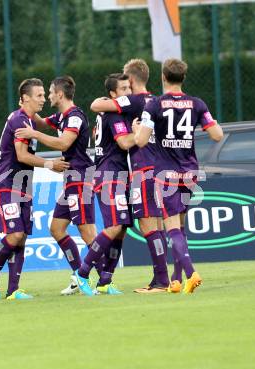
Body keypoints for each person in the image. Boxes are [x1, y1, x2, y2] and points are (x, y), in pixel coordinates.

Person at [134, 58, 223, 294]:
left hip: (166, 174)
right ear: (183, 78)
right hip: (190, 172)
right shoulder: (197, 104)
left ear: (163, 77)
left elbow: (141, 141)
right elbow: (216, 135)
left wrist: (137, 131)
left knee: (171, 226)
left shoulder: (154, 105)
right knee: (181, 227)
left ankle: (191, 274)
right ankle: (175, 280)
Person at [91, 59, 170, 293]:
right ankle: (162, 278)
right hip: (160, 167)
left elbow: (96, 106)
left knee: (147, 226)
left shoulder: (133, 101)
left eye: (127, 82)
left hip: (142, 169)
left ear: (132, 80)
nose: (126, 86)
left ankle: (161, 281)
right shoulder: (157, 101)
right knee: (156, 225)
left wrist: (112, 102)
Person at [0, 78, 69, 300]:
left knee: (21, 238)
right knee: (15, 234)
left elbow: (45, 124)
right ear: (25, 98)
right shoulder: (20, 120)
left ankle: (13, 289)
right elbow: (22, 155)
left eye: (44, 94)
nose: (43, 99)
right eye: (39, 95)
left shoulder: (29, 121)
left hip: (22, 184)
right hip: (5, 184)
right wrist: (51, 164)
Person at [15, 76, 97, 295]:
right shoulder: (61, 117)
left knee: (87, 230)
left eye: (49, 92)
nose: (47, 96)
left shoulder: (75, 117)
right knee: (57, 229)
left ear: (60, 94)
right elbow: (41, 122)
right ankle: (79, 273)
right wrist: (26, 107)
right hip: (71, 180)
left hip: (81, 177)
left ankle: (106, 278)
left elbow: (63, 143)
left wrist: (33, 134)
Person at [73, 73, 133, 296]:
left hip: (117, 174)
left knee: (121, 229)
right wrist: (141, 131)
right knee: (115, 226)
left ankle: (106, 280)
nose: (128, 92)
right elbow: (125, 142)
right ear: (112, 94)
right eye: (124, 89)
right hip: (110, 176)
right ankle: (83, 272)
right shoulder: (114, 115)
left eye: (129, 87)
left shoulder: (109, 113)